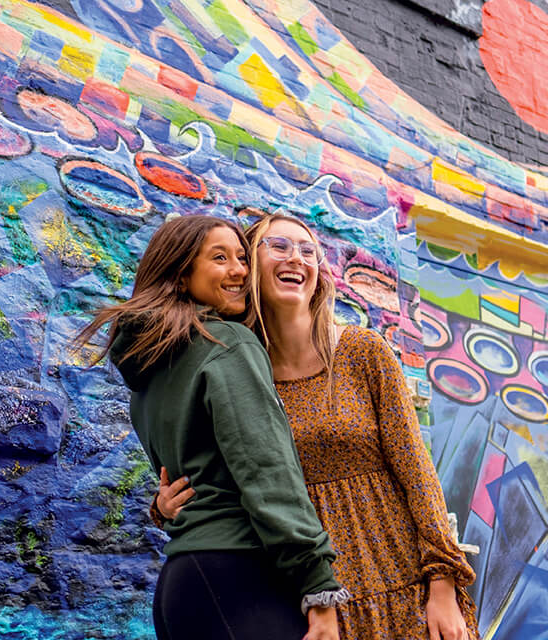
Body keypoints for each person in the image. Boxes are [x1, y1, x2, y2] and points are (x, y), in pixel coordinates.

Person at [156, 211, 478, 639]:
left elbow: (417, 473)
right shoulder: (237, 369)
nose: (297, 258)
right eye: (280, 247)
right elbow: (221, 473)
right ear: (250, 268)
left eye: (308, 250)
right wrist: (162, 508)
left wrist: (442, 583)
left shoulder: (363, 352)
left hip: (402, 579)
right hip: (309, 596)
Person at [76, 215, 349, 640]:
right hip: (237, 577)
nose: (240, 270)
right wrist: (318, 586)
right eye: (219, 258)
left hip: (182, 586)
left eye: (242, 257)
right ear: (181, 275)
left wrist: (160, 508)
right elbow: (266, 470)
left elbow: (194, 473)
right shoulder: (228, 345)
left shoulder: (149, 372)